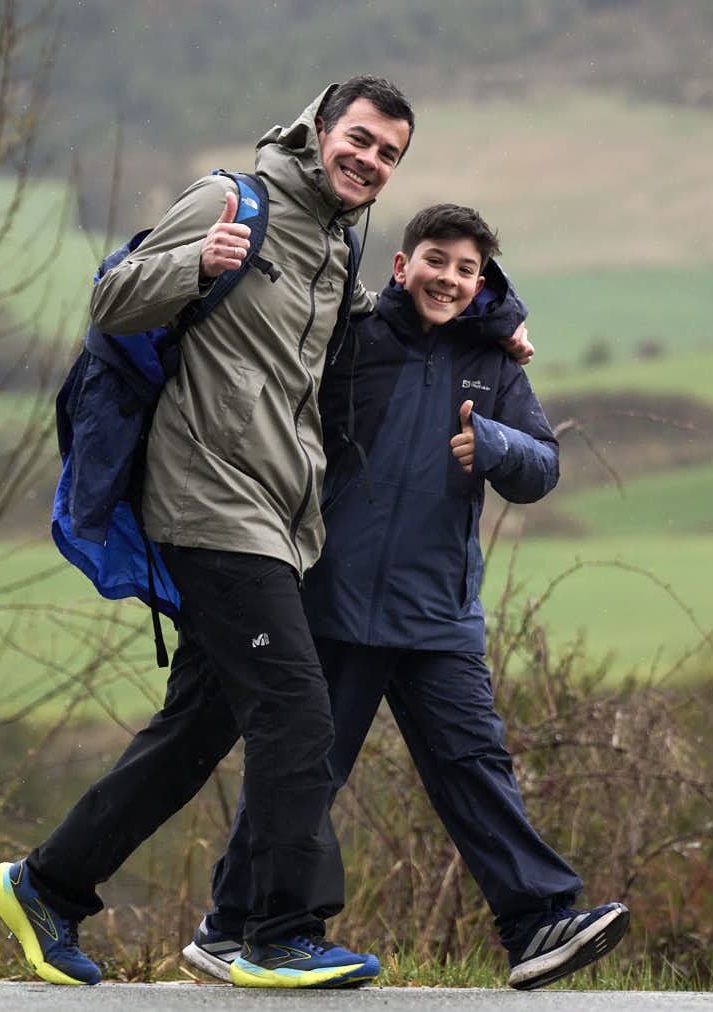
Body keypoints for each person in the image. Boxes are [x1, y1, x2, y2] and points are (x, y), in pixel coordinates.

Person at [0, 76, 415, 990]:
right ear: (320, 128)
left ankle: (48, 886)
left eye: (388, 154)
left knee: (197, 729)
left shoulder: (332, 255)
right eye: (361, 139)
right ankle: (276, 935)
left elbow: (366, 348)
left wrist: (492, 313)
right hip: (208, 503)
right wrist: (195, 266)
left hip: (278, 517)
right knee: (299, 713)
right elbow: (111, 300)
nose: (370, 161)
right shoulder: (233, 201)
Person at [179, 204, 631, 990]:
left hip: (438, 616)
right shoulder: (352, 341)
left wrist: (493, 443)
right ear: (400, 265)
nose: (449, 279)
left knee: (474, 764)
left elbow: (542, 467)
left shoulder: (494, 366)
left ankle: (536, 926)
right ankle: (230, 929)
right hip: (335, 604)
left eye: (466, 269)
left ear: (481, 280)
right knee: (306, 772)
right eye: (436, 260)